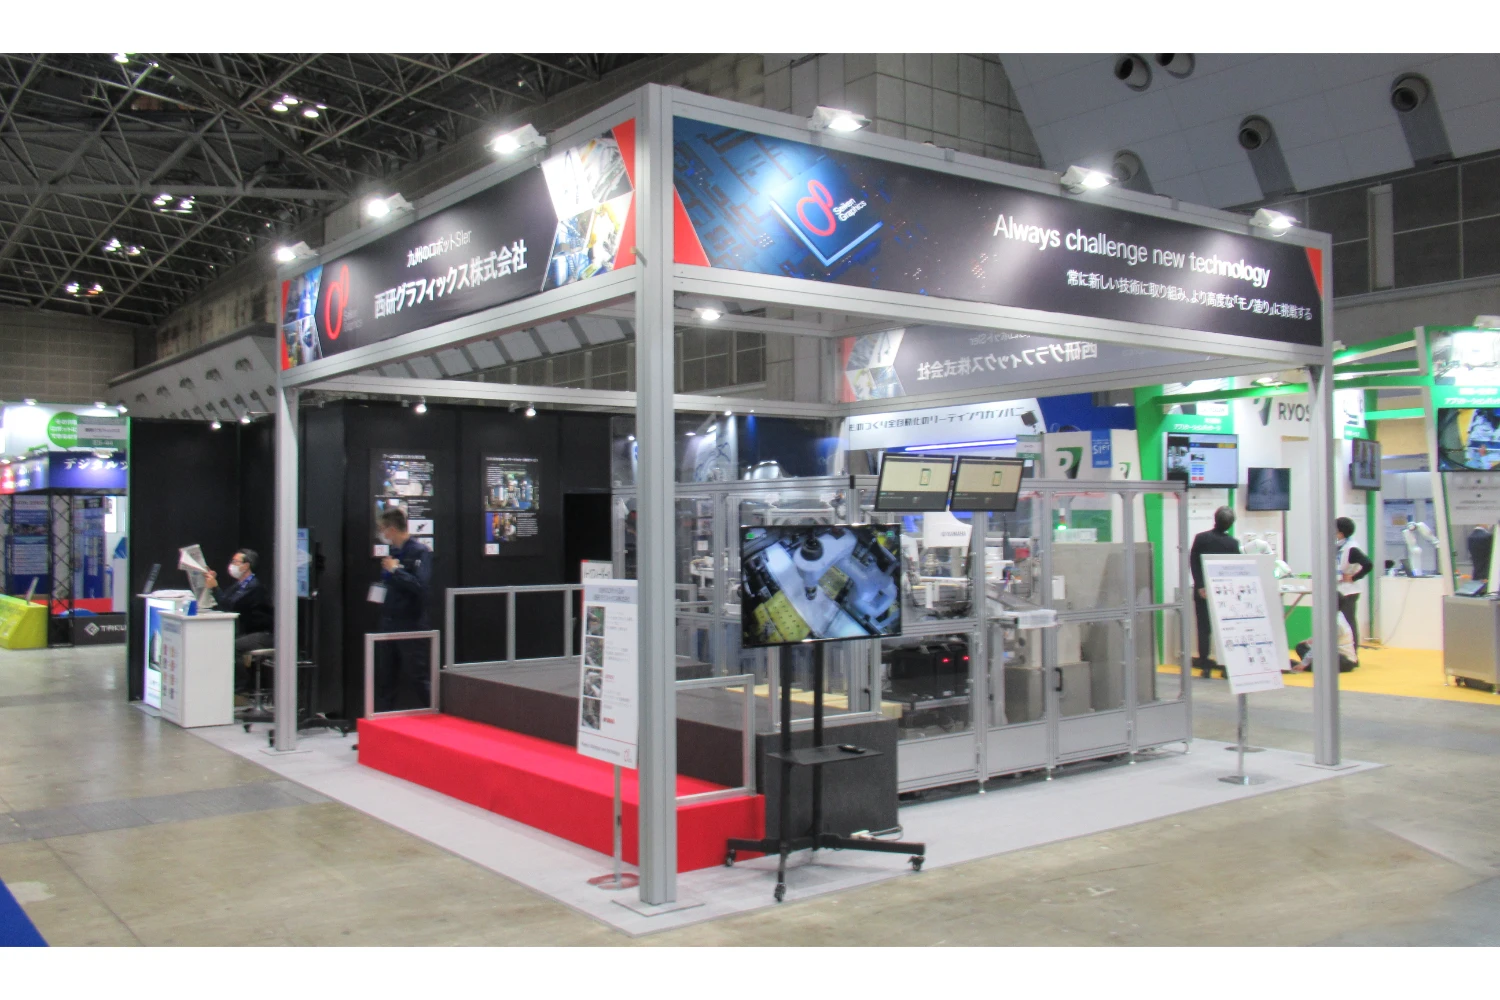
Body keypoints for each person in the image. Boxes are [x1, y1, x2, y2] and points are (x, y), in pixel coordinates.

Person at [374, 507, 434, 712]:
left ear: (391, 529)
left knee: (418, 676)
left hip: (411, 624)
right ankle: (382, 723)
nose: (381, 534)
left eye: (382, 529)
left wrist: (395, 570)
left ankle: (439, 716)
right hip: (389, 622)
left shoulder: (420, 552)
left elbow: (420, 586)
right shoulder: (393, 553)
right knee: (386, 678)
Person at [203, 548, 273, 689]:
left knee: (231, 646)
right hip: (246, 632)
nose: (232, 565)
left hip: (262, 634)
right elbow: (224, 601)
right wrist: (213, 585)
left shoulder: (254, 587)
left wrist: (215, 588)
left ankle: (241, 687)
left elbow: (230, 606)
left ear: (246, 566)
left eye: (236, 562)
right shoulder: (239, 585)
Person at [1189, 506, 1240, 678]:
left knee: (1204, 628)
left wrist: (1200, 585)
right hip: (1225, 592)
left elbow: (1193, 562)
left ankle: (1205, 665)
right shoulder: (1233, 544)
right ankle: (1225, 666)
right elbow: (1235, 569)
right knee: (1227, 629)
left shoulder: (1201, 538)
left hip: (1203, 591)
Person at [1335, 516, 1373, 663]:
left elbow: (1368, 564)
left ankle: (1353, 655)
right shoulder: (1339, 545)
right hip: (1340, 588)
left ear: (1341, 532)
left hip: (1349, 591)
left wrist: (1354, 577)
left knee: (1348, 623)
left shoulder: (1352, 548)